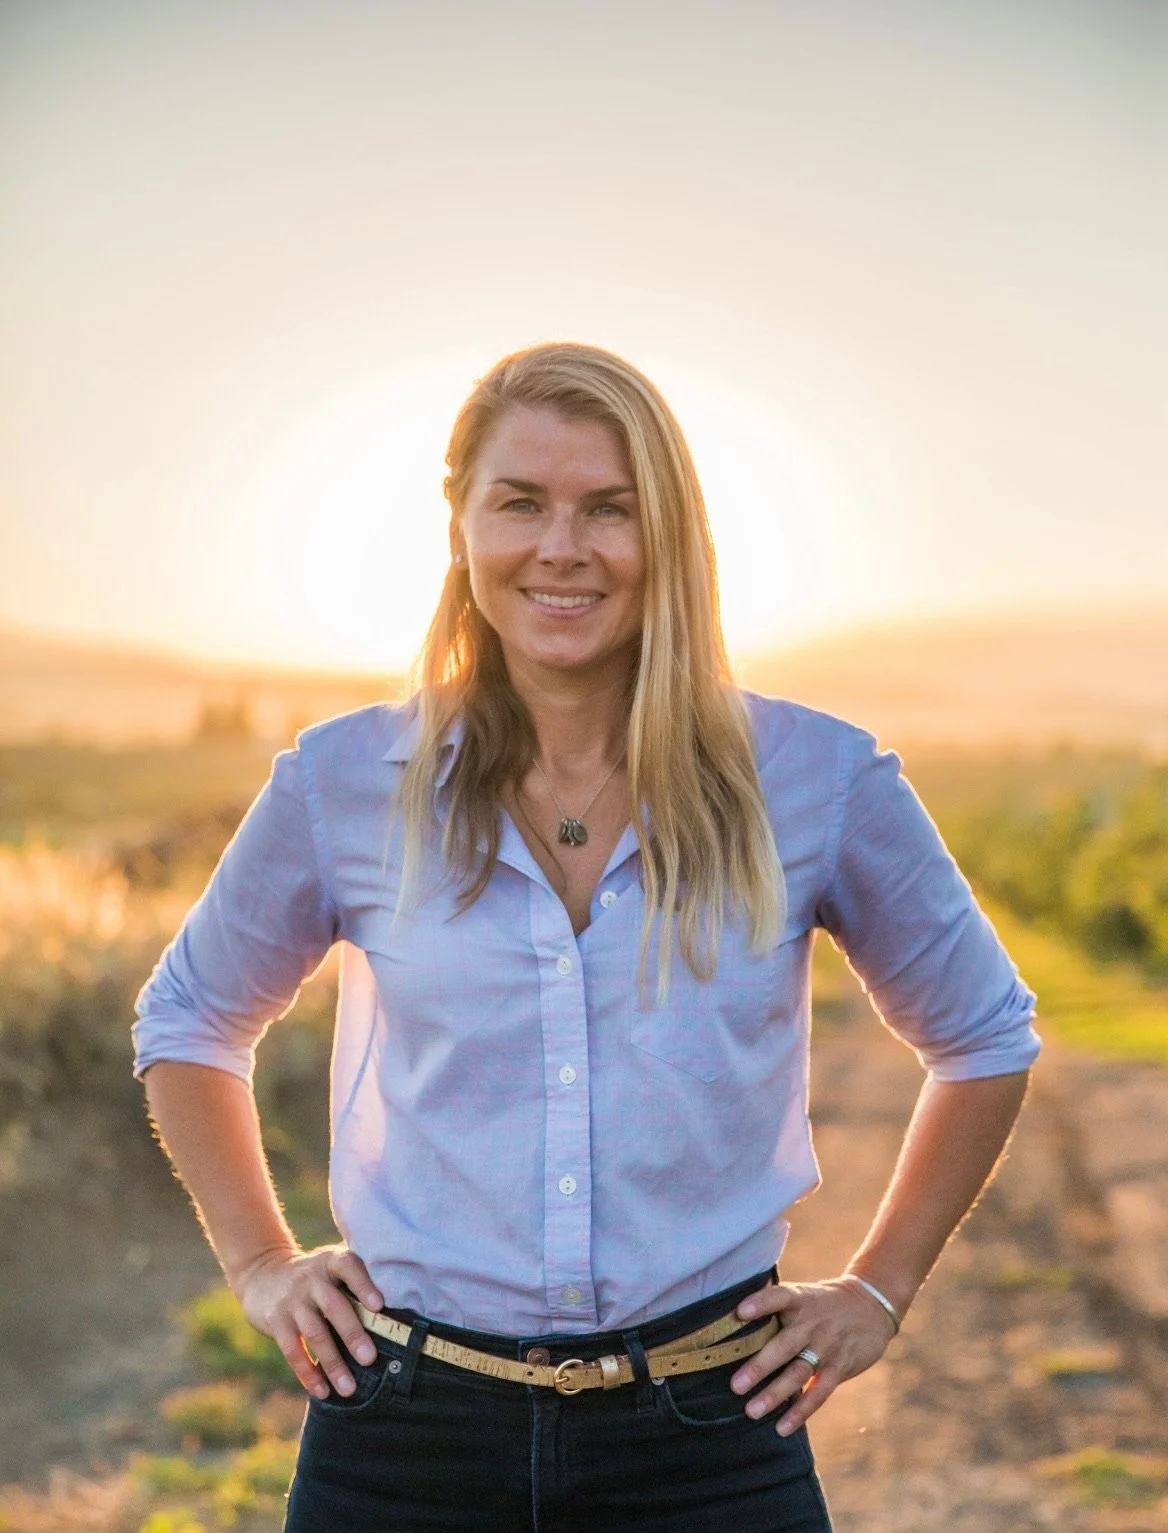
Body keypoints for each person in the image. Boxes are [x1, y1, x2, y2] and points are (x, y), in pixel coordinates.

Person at [133, 342, 1040, 1532]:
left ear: (667, 535)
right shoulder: (344, 781)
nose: (561, 547)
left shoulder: (818, 780)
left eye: (608, 509)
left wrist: (879, 1285)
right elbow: (190, 1018)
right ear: (461, 522)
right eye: (521, 503)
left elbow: (982, 1035)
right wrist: (259, 1265)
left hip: (711, 1441)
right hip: (401, 1436)